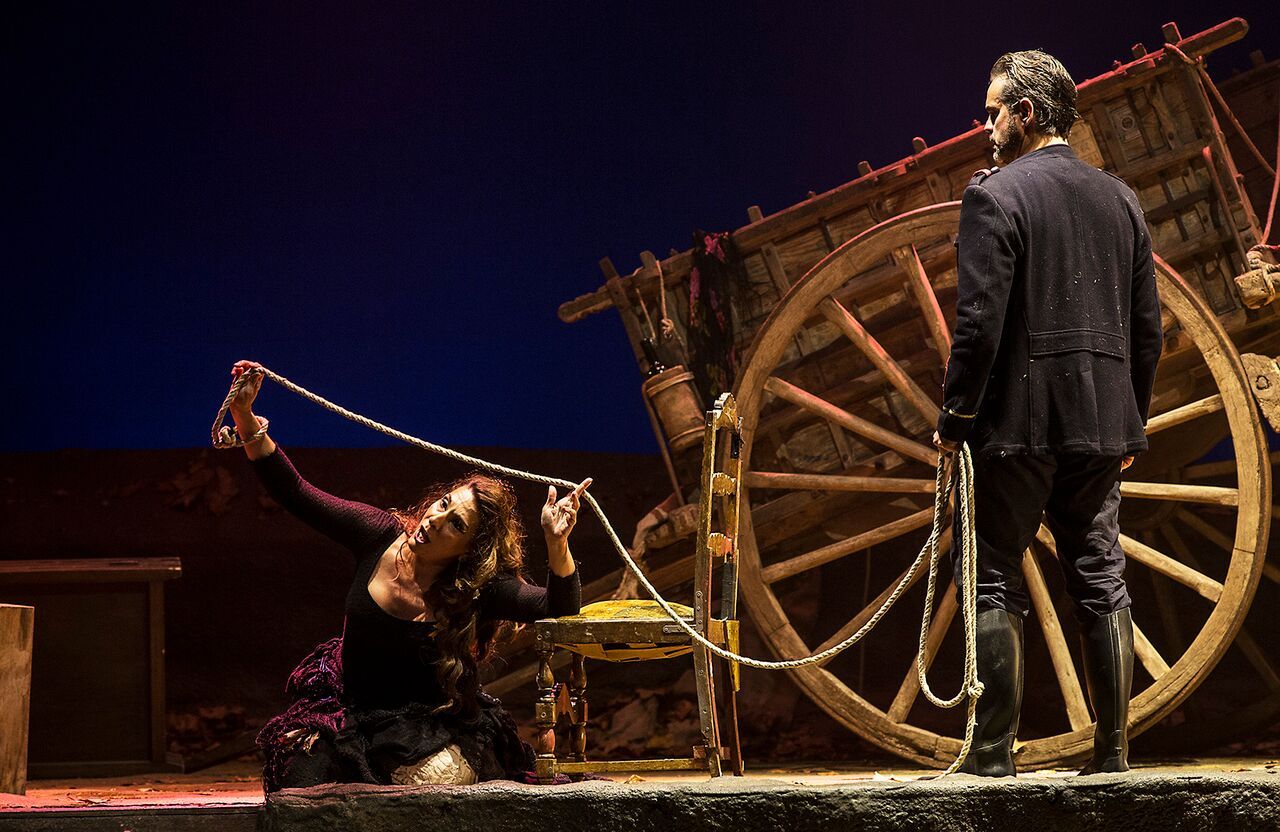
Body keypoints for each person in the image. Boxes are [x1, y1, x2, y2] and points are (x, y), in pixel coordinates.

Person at [931, 51, 1163, 777]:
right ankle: (1112, 753)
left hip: (1018, 428)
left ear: (1026, 114)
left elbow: (979, 324)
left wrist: (956, 416)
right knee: (1099, 573)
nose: (986, 125)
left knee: (993, 573)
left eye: (994, 111)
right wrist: (1131, 420)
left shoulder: (995, 196)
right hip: (1100, 425)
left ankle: (993, 756)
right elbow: (1148, 330)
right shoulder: (1121, 200)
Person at [226, 360, 590, 790]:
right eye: (443, 504)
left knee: (428, 780)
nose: (436, 520)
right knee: (302, 778)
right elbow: (297, 493)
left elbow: (559, 607)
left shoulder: (476, 587)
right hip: (353, 712)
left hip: (426, 725)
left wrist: (557, 544)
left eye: (455, 524)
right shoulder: (377, 534)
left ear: (469, 550)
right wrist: (245, 418)